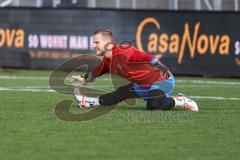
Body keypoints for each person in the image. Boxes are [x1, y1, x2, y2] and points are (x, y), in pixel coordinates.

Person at [71, 29, 198, 111]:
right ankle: (87, 102)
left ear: (107, 42)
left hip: (161, 81)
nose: (93, 45)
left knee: (153, 106)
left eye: (96, 42)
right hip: (142, 85)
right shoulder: (108, 60)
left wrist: (162, 70)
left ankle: (180, 100)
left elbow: (149, 58)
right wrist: (85, 79)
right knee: (120, 93)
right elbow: (99, 70)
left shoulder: (125, 51)